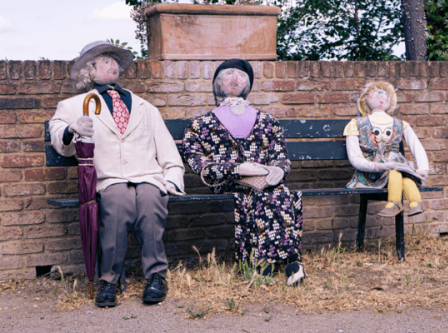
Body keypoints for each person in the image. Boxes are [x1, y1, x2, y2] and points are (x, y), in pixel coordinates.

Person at [49, 41, 185, 307]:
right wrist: (71, 129)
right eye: (105, 60)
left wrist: (170, 179)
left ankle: (156, 276)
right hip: (109, 178)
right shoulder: (74, 105)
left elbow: (168, 151)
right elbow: (58, 136)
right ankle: (109, 280)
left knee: (149, 204)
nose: (113, 65)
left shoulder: (145, 107)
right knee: (118, 205)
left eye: (115, 60)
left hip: (147, 175)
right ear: (90, 71)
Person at [181, 59, 305, 285]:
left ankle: (268, 263)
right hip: (228, 183)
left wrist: (278, 169)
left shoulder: (268, 121)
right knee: (267, 193)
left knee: (275, 191)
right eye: (228, 74)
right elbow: (198, 163)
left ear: (248, 85)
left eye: (241, 75)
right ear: (217, 82)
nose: (235, 78)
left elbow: (281, 156)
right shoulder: (201, 124)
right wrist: (235, 169)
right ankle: (289, 261)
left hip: (265, 181)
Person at [343, 82, 429, 217]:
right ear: (366, 99)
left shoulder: (401, 124)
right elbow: (355, 156)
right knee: (395, 173)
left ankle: (410, 203)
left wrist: (424, 168)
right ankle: (399, 203)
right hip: (371, 175)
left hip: (397, 168)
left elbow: (416, 146)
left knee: (398, 173)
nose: (382, 96)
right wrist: (375, 166)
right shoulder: (356, 124)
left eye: (385, 94)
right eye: (377, 93)